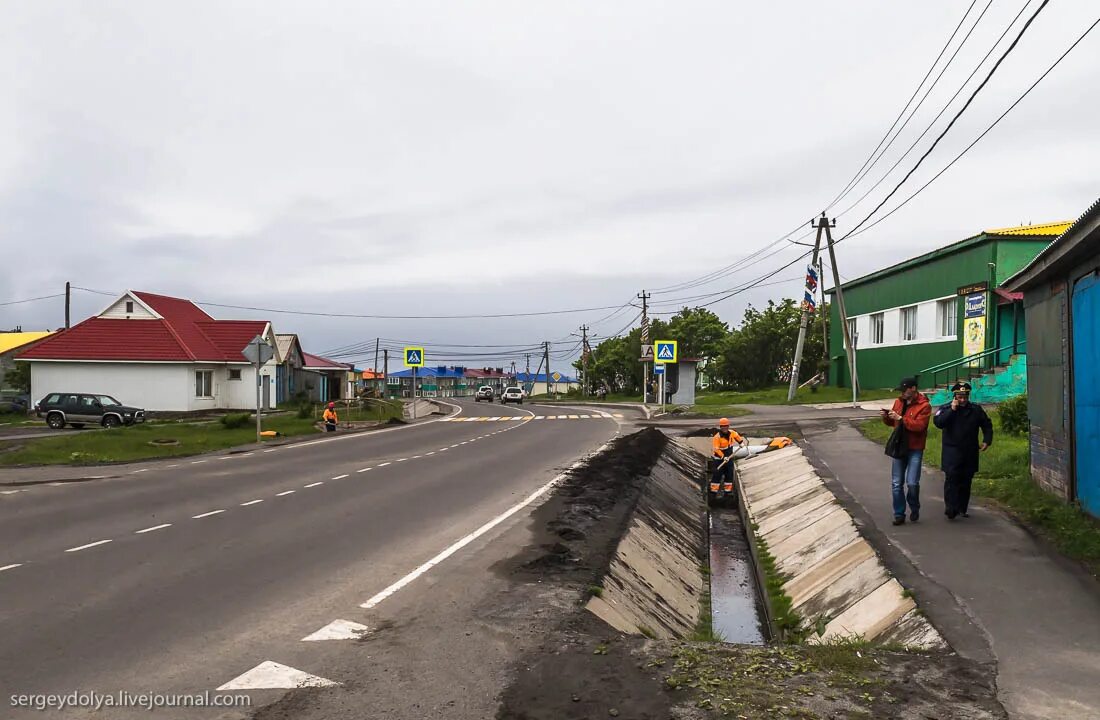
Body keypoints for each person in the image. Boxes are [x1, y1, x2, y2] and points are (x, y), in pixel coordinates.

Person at [932, 381, 993, 519]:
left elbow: (987, 425)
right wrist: (952, 410)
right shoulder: (946, 408)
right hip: (952, 450)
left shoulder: (975, 410)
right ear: (954, 397)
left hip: (970, 450)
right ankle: (950, 508)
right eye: (960, 397)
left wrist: (986, 440)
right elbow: (939, 423)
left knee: (966, 479)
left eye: (965, 397)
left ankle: (962, 508)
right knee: (952, 479)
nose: (963, 400)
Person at [880, 377, 931, 526]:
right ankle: (899, 513)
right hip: (899, 446)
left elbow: (919, 427)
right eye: (901, 391)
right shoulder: (898, 402)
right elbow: (894, 423)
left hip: (915, 447)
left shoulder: (924, 406)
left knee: (912, 483)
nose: (902, 393)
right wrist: (887, 418)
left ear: (913, 389)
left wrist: (901, 418)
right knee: (896, 483)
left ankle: (914, 507)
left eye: (905, 390)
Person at [711, 418, 747, 499]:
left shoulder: (732, 433)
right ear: (720, 427)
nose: (724, 428)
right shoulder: (717, 437)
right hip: (719, 459)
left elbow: (737, 436)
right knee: (717, 475)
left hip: (729, 458)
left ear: (728, 426)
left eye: (726, 426)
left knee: (729, 475)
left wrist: (741, 442)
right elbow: (716, 450)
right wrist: (723, 457)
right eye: (723, 426)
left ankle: (728, 493)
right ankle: (713, 493)